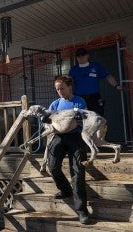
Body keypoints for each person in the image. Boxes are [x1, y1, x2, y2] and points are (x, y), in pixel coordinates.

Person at [47, 75, 90, 224]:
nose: (60, 92)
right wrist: (44, 120)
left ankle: (81, 210)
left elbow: (84, 120)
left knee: (77, 172)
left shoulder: (79, 101)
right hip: (58, 136)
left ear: (70, 87)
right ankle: (65, 189)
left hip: (75, 137)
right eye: (57, 89)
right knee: (52, 166)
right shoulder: (55, 104)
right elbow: (47, 120)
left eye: (62, 88)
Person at [68, 48, 122, 116]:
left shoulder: (95, 66)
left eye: (82, 56)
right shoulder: (73, 70)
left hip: (94, 98)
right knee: (80, 119)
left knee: (98, 118)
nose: (80, 58)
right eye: (78, 57)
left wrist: (116, 86)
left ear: (87, 56)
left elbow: (108, 76)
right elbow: (68, 82)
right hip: (79, 98)